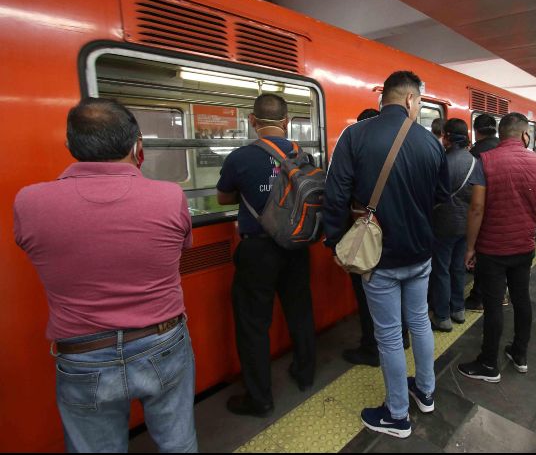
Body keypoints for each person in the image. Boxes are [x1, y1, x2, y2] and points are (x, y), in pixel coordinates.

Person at [13, 98, 197, 452]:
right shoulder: (169, 196)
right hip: (162, 342)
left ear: (71, 147)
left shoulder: (30, 202)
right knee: (178, 442)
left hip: (82, 354)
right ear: (136, 145)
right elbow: (182, 246)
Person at [323, 71, 449, 438]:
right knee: (420, 323)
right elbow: (441, 198)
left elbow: (335, 195)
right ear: (411, 100)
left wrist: (334, 242)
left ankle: (397, 415)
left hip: (377, 258)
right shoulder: (430, 143)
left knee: (390, 335)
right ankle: (425, 392)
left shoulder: (355, 135)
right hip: (421, 254)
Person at [217, 93, 316, 418]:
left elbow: (223, 198)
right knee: (300, 311)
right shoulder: (304, 154)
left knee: (253, 325)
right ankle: (305, 373)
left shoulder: (240, 157)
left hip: (258, 249)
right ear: (287, 122)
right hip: (297, 244)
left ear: (252, 120)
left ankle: (259, 398)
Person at [458, 112, 536, 382]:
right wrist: (530, 230)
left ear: (501, 134)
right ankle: (519, 354)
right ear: (525, 135)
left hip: (493, 248)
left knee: (494, 304)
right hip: (524, 246)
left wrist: (470, 247)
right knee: (522, 298)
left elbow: (476, 208)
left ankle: (488, 363)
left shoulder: (485, 161)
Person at [343, 108, 410, 368]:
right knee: (399, 293)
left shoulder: (358, 159)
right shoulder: (404, 155)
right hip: (401, 238)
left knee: (368, 295)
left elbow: (343, 198)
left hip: (369, 239)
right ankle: (402, 337)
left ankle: (372, 348)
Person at [429, 118, 475, 332]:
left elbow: (432, 194)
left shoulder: (443, 161)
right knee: (458, 267)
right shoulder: (475, 161)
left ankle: (442, 315)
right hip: (466, 224)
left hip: (443, 225)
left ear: (447, 136)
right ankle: (458, 309)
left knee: (441, 270)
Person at [465, 114, 502, 312]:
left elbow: (474, 199)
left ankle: (478, 297)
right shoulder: (503, 148)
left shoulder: (476, 153)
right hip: (500, 211)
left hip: (481, 211)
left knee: (480, 255)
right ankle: (498, 293)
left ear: (476, 130)